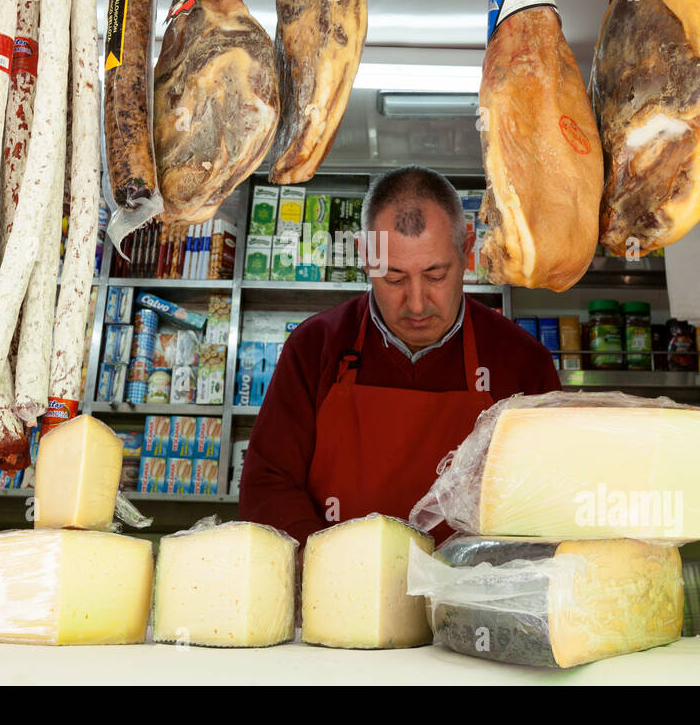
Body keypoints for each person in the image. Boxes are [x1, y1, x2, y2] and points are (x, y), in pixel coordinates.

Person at [239, 166, 560, 544]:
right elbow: (266, 485)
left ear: (467, 249)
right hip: (340, 596)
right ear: (364, 256)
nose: (418, 302)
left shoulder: (522, 360)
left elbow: (549, 499)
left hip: (466, 595)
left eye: (436, 275)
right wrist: (329, 569)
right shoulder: (314, 347)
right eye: (393, 278)